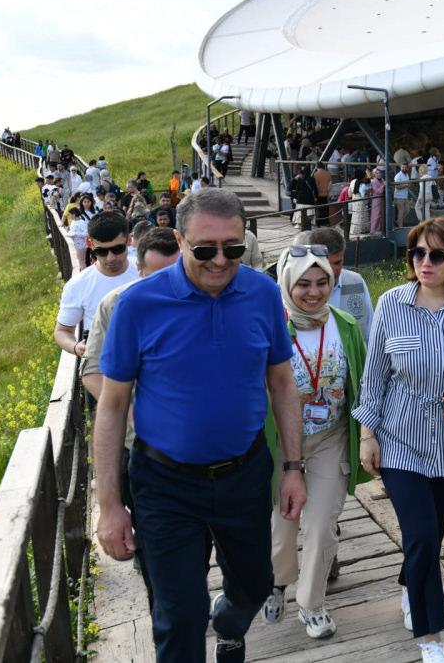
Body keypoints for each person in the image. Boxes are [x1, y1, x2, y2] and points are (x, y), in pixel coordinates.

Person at [94, 189, 308, 663]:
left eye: (232, 248)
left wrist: (294, 466)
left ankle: (230, 621)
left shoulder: (262, 294)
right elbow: (111, 406)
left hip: (244, 473)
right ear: (178, 239)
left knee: (255, 585)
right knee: (178, 615)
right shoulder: (138, 306)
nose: (219, 260)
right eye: (204, 249)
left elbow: (282, 383)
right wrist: (109, 505)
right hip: (164, 483)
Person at [353, 218, 444, 663]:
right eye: (417, 253)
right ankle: (431, 639)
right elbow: (375, 374)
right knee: (419, 536)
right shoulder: (392, 304)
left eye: (436, 255)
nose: (425, 262)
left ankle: (409, 585)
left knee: (430, 537)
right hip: (400, 438)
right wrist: (367, 434)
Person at [262, 244, 372, 640]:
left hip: (332, 437)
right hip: (281, 441)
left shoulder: (344, 324)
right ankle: (277, 581)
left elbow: (362, 382)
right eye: (303, 283)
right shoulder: (271, 326)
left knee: (324, 523)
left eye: (322, 282)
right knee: (282, 523)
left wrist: (370, 436)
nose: (313, 292)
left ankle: (311, 602)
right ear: (287, 284)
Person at [79, 227, 182, 606]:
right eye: (158, 275)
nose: (170, 283)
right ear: (140, 271)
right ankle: (164, 612)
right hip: (137, 447)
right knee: (154, 544)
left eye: (177, 271)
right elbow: (91, 373)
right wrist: (130, 410)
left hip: (195, 451)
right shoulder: (116, 304)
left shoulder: (201, 300)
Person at [53, 211, 140, 365]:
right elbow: (62, 331)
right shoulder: (78, 285)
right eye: (101, 251)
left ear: (129, 240)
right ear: (89, 243)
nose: (110, 257)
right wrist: (76, 347)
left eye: (118, 249)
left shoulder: (146, 271)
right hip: (102, 370)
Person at [393, 162, 412, 229]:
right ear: (400, 167)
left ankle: (398, 221)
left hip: (405, 196)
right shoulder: (398, 175)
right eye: (402, 167)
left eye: (405, 167)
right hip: (398, 196)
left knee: (407, 210)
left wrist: (409, 185)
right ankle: (400, 227)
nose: (403, 168)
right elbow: (397, 186)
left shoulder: (407, 174)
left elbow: (408, 184)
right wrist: (406, 185)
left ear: (407, 168)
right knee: (401, 212)